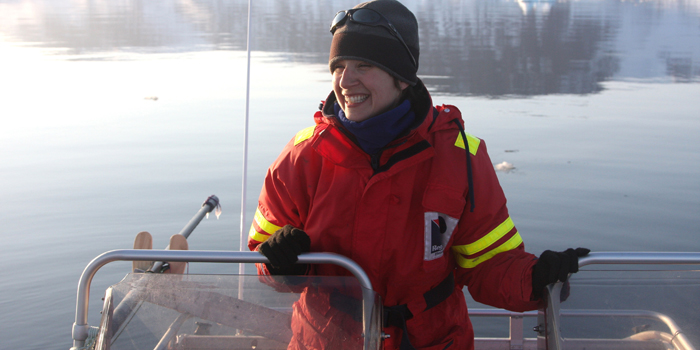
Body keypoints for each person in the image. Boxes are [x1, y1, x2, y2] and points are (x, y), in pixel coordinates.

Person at [248, 1, 589, 349]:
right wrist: (278, 260)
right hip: (326, 341)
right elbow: (262, 252)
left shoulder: (460, 157)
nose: (345, 81)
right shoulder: (303, 154)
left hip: (433, 341)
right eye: (338, 67)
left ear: (402, 78)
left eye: (363, 65)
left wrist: (536, 279)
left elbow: (489, 262)